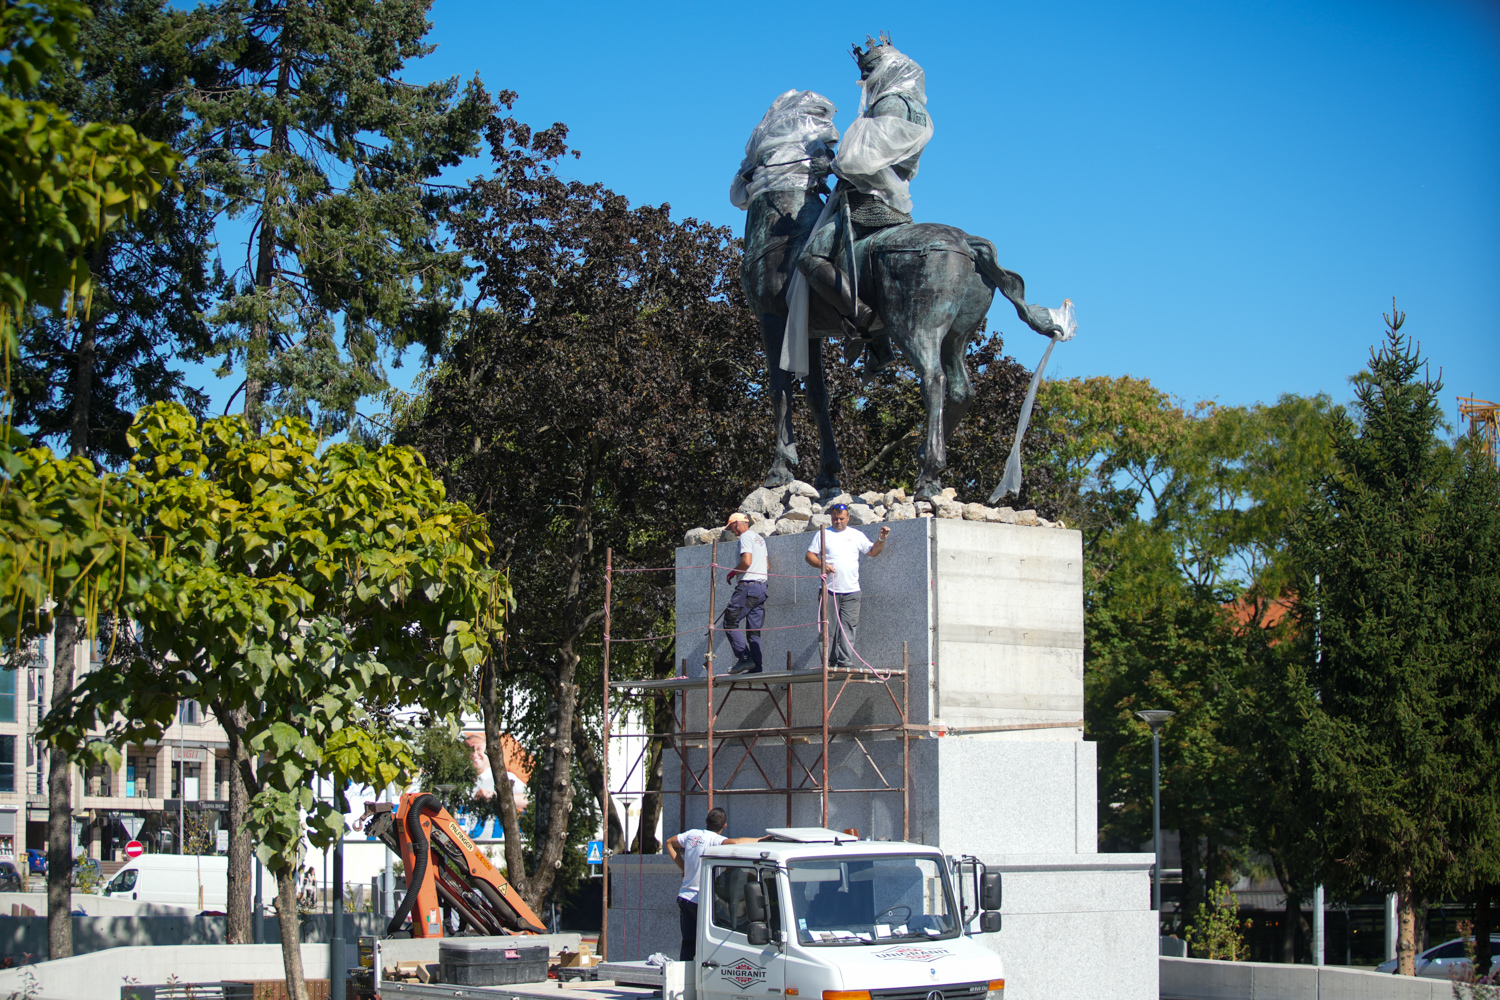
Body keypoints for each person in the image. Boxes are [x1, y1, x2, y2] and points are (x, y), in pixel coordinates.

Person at [797, 35, 933, 379]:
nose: (866, 79)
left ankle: (864, 319)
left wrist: (830, 166)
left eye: (870, 70)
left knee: (811, 259)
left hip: (866, 200)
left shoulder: (892, 105)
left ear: (888, 67)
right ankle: (879, 346)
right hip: (896, 202)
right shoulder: (914, 106)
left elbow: (863, 158)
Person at [665, 808, 761, 961]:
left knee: (688, 942)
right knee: (713, 940)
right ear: (724, 826)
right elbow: (736, 842)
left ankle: (686, 977)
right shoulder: (714, 840)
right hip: (700, 900)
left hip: (684, 897)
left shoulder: (692, 835)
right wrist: (762, 839)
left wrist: (684, 867)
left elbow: (669, 843)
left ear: (706, 821)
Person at [804, 504, 890, 669]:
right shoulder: (823, 534)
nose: (838, 522)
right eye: (835, 518)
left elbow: (873, 552)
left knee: (848, 626)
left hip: (852, 591)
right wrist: (823, 565)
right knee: (828, 627)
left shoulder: (856, 535)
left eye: (841, 518)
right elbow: (809, 556)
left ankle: (844, 660)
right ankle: (828, 662)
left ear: (848, 518)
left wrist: (882, 539)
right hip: (828, 590)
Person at [722, 512, 769, 675]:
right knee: (753, 630)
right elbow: (767, 565)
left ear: (737, 524)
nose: (732, 532)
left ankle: (744, 658)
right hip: (762, 589)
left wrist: (732, 573)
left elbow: (747, 562)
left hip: (748, 586)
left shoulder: (745, 537)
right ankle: (757, 666)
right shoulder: (760, 539)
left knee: (730, 622)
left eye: (731, 527)